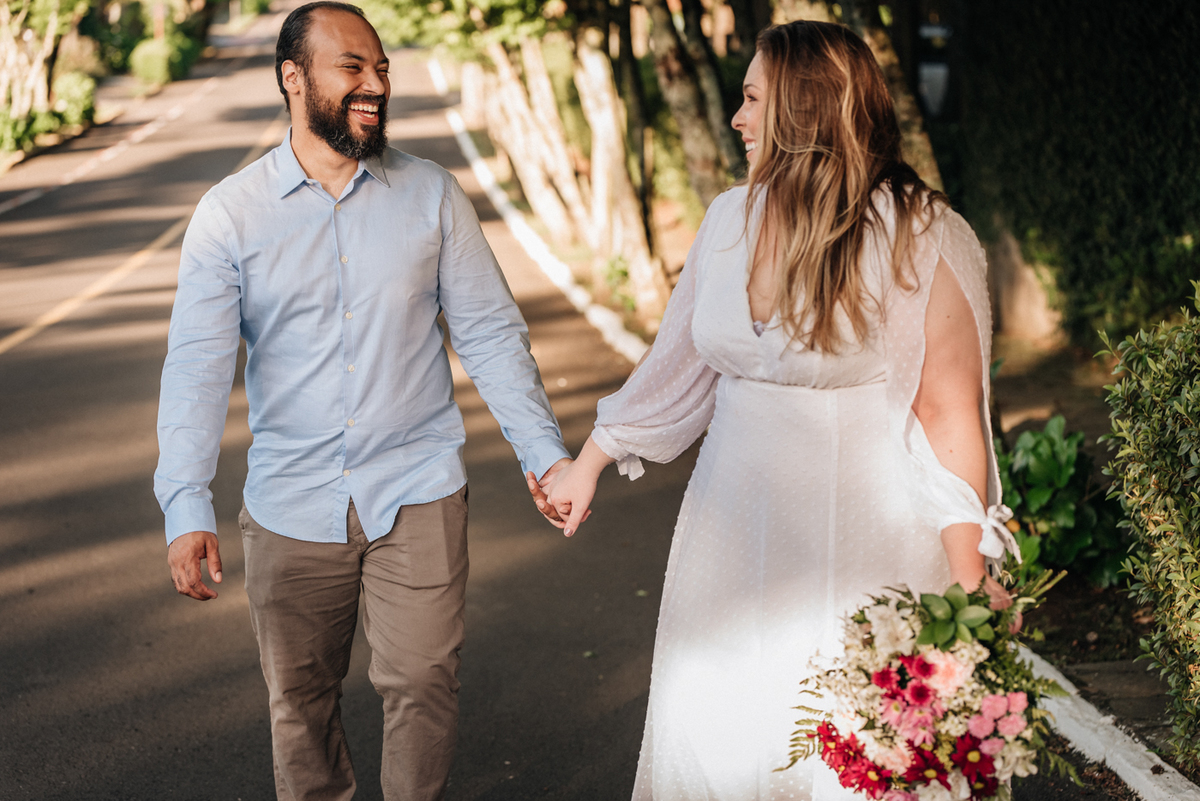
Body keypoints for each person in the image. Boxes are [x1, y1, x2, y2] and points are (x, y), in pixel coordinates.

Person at [529, 20, 1019, 801]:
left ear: (804, 111)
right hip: (727, 534)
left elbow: (948, 409)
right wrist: (590, 461)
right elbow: (680, 363)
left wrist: (971, 581)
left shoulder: (920, 234)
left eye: (753, 97)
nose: (737, 117)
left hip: (865, 540)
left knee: (854, 752)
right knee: (724, 737)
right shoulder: (729, 217)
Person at [154, 3, 570, 798]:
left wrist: (543, 452)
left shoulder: (432, 195)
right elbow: (197, 367)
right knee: (301, 704)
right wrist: (186, 504)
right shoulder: (229, 217)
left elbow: (488, 332)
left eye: (381, 67)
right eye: (353, 67)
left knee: (423, 680)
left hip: (416, 485)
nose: (375, 83)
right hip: (291, 502)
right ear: (293, 78)